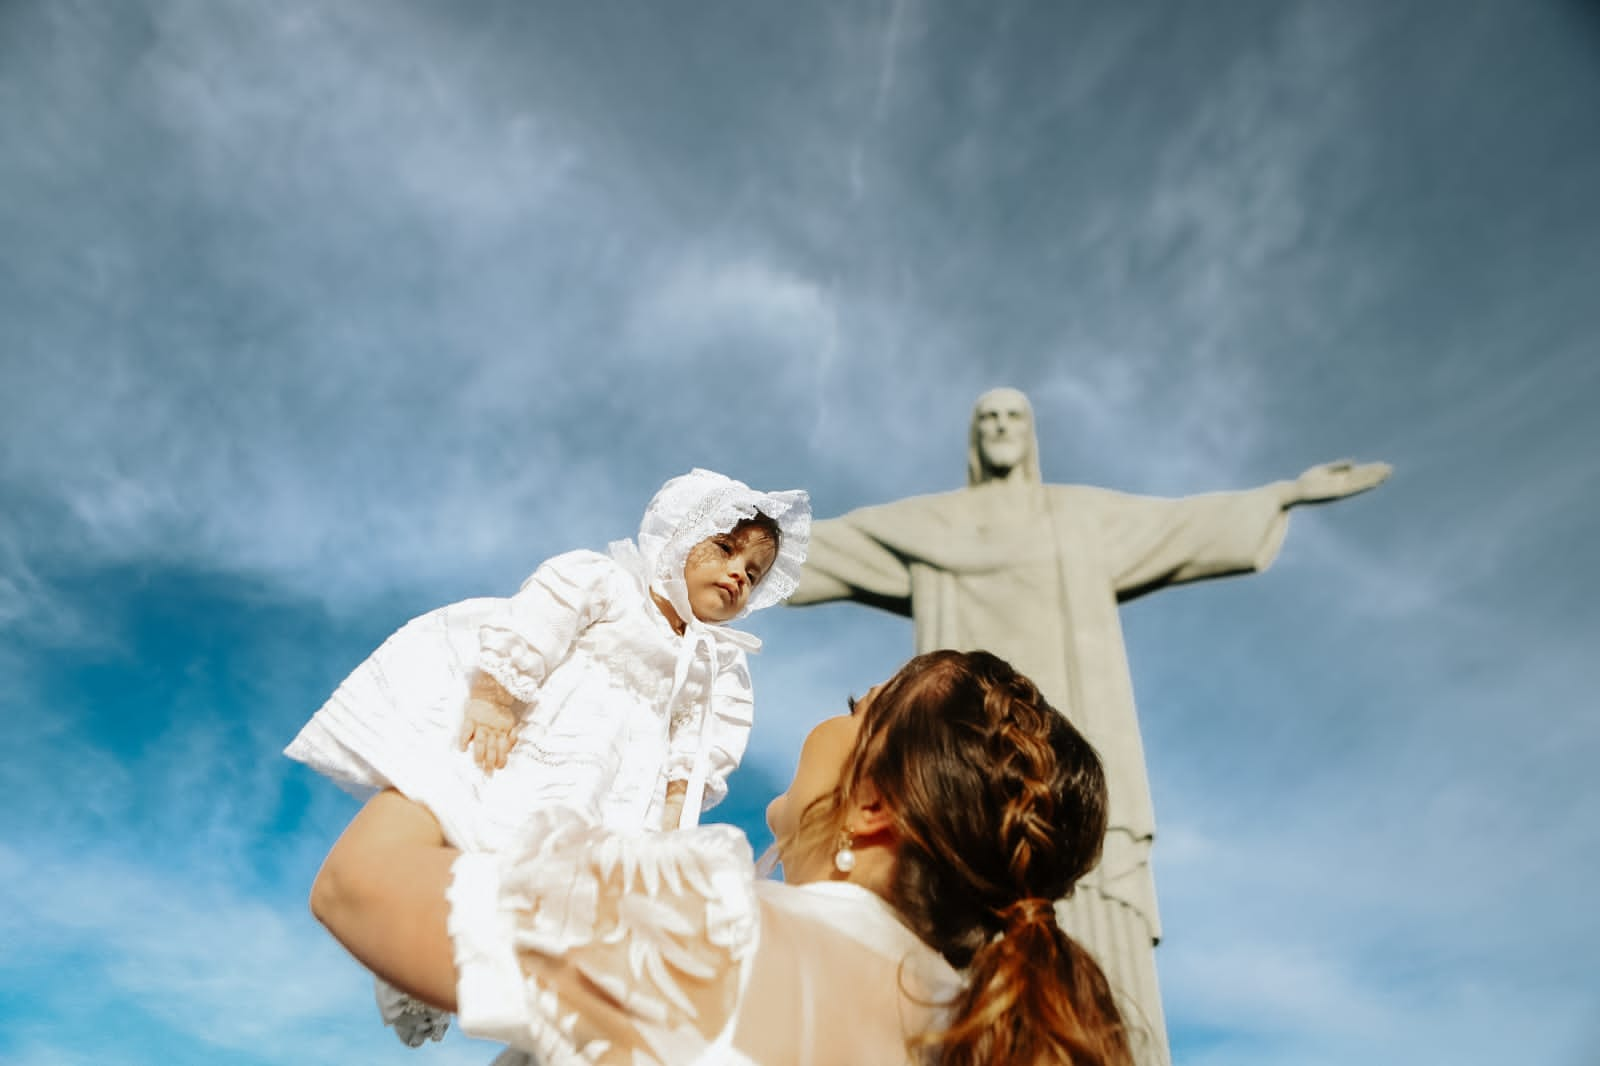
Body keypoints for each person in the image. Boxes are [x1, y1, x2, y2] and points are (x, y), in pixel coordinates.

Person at [786, 387, 1390, 1062]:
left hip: (1056, 768)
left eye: (1014, 416)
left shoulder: (1077, 517)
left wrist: (1283, 496)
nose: (1000, 428)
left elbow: (1182, 526)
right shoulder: (937, 524)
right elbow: (840, 546)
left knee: (1082, 897)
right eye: (987, 418)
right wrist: (736, 543)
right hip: (956, 775)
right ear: (973, 439)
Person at [309, 649, 1139, 1066]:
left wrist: (520, 727)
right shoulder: (980, 1032)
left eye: (862, 708)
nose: (833, 716)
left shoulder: (714, 932)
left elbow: (360, 887)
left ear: (872, 804)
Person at [285, 467, 810, 1045]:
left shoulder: (718, 664)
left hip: (620, 789)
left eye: (754, 573)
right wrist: (495, 698)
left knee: (564, 891)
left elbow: (700, 747)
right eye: (726, 548)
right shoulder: (609, 584)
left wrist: (673, 812)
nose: (739, 573)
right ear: (681, 535)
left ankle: (531, 1010)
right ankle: (411, 951)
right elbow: (539, 622)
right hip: (544, 744)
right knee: (477, 827)